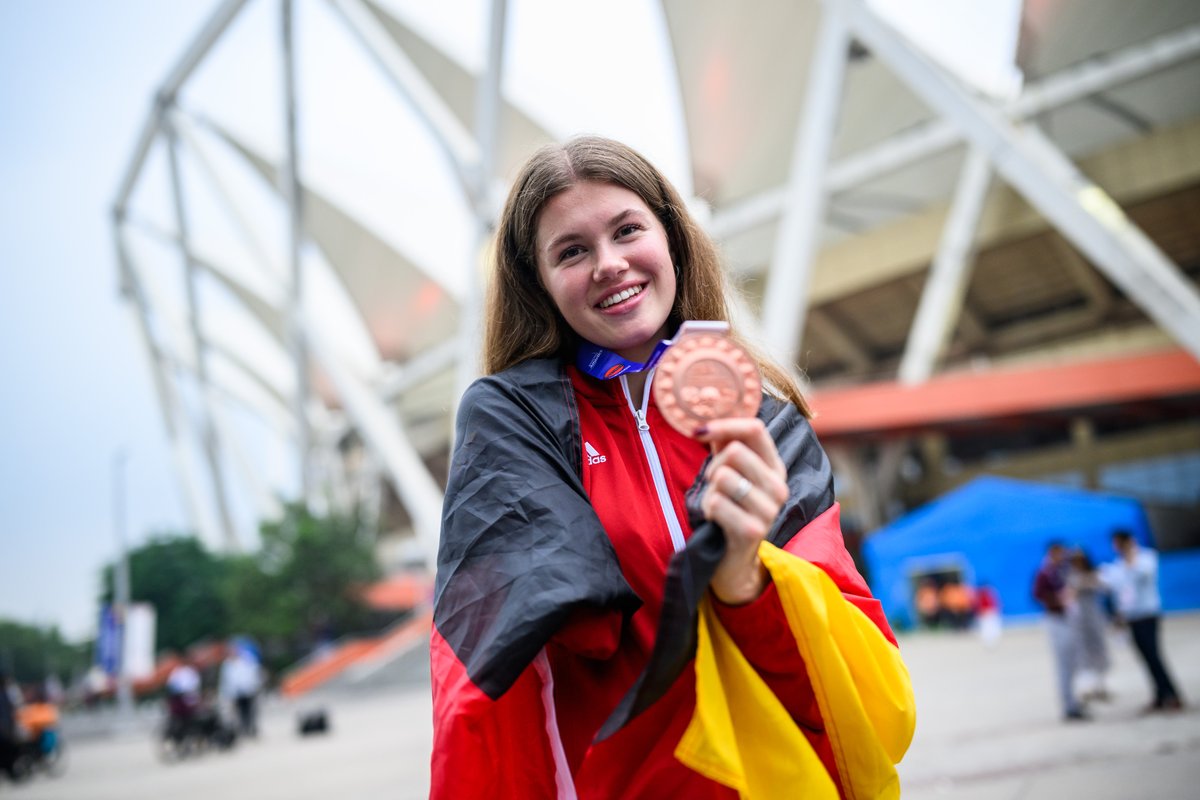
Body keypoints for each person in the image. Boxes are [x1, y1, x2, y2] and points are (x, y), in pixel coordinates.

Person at [431, 136, 915, 799]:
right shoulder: (516, 426)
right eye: (572, 251)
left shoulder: (768, 426)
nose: (609, 264)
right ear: (538, 282)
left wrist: (745, 576)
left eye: (628, 230)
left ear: (673, 238)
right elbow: (496, 673)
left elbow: (848, 682)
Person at [1104, 530, 1184, 713]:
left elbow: (1144, 574)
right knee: (1145, 658)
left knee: (1154, 656)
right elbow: (1113, 586)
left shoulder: (1146, 557)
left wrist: (1131, 555)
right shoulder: (1118, 565)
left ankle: (1172, 694)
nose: (1116, 547)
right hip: (1131, 617)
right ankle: (1159, 695)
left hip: (1147, 615)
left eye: (1118, 543)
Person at [1032, 541, 1086, 721]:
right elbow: (1037, 595)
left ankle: (1073, 700)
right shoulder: (1045, 573)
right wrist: (1057, 600)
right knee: (1063, 664)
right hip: (1057, 619)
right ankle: (1068, 704)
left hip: (1069, 618)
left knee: (1073, 662)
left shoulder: (1063, 571)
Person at [1066, 549, 1111, 703]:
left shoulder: (1094, 573)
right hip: (1078, 618)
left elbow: (1105, 587)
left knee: (1098, 648)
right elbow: (1069, 592)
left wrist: (1089, 580)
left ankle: (1101, 684)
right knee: (1081, 651)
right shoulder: (1069, 574)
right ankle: (1087, 686)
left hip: (1093, 615)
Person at [219, 638, 263, 737]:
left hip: (249, 690)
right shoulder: (227, 664)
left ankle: (252, 729)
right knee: (240, 712)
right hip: (236, 692)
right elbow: (226, 680)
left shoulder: (247, 660)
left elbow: (254, 674)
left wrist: (256, 685)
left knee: (251, 711)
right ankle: (244, 729)